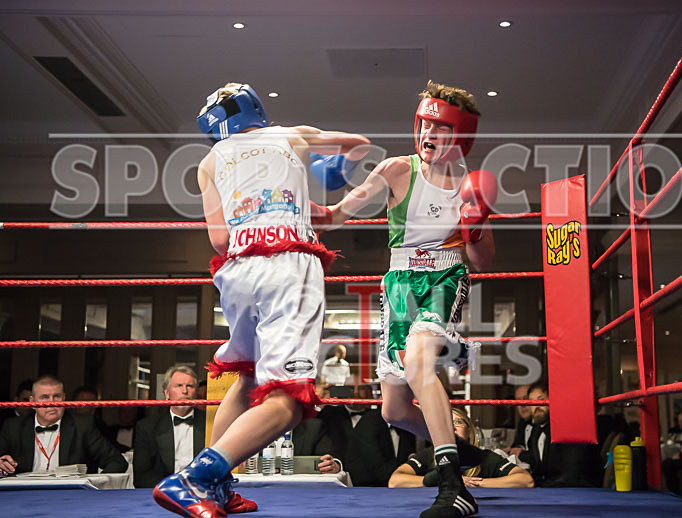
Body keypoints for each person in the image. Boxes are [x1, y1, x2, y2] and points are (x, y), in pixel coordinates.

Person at [152, 82, 370, 518]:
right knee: (289, 402)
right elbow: (359, 144)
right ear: (255, 109)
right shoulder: (291, 134)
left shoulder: (208, 163)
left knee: (248, 379)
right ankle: (195, 478)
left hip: (237, 272)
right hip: (287, 266)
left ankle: (217, 489)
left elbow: (219, 241)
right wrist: (334, 171)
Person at [324, 80, 494, 518]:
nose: (428, 134)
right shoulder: (397, 170)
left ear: (460, 135)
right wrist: (290, 209)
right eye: (424, 124)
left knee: (418, 361)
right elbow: (336, 214)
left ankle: (454, 486)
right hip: (399, 283)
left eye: (440, 128)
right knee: (394, 409)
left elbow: (482, 259)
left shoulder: (469, 185)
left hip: (444, 277)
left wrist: (475, 225)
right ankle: (461, 451)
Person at [0, 375, 127, 476]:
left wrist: (94, 487)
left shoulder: (82, 426)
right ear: (32, 402)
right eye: (44, 397)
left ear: (64, 398)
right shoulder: (13, 427)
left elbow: (117, 461)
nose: (51, 403)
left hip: (70, 495)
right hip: (24, 494)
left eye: (56, 396)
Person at [389, 408, 533, 488]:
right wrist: (438, 479)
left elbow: (526, 480)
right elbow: (395, 481)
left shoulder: (484, 457)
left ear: (469, 430)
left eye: (457, 422)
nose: (452, 427)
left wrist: (475, 482)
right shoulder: (429, 454)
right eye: (447, 422)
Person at [511, 383, 601, 488]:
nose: (536, 406)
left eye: (541, 400)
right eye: (532, 402)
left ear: (553, 400)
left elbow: (572, 474)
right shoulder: (536, 430)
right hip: (552, 487)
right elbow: (539, 466)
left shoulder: (568, 428)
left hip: (578, 489)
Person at [134, 366, 207, 488]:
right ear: (167, 393)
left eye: (190, 386)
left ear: (196, 393)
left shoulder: (211, 423)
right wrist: (172, 489)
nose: (185, 391)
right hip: (163, 492)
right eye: (179, 386)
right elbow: (141, 476)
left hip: (203, 491)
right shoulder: (147, 427)